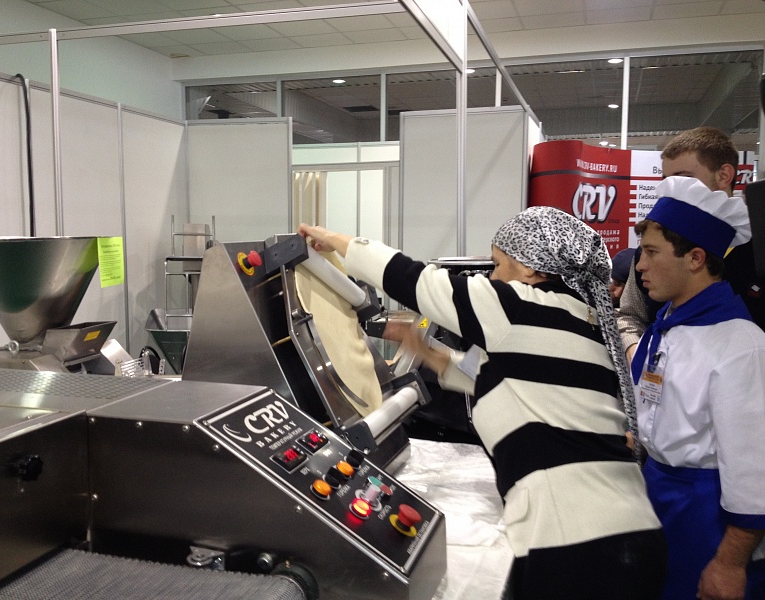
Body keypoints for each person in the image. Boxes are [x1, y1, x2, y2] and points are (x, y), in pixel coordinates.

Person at [298, 207, 667, 600]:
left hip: (579, 548)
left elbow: (415, 279)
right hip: (627, 537)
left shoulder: (520, 305)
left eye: (497, 264)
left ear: (529, 268)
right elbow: (497, 377)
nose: (491, 277)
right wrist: (421, 348)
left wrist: (334, 240)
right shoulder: (579, 320)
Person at [631, 176, 765, 600]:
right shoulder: (670, 324)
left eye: (652, 252)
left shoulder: (740, 344)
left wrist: (729, 563)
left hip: (706, 518)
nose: (639, 266)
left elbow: (753, 472)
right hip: (658, 495)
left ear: (695, 258)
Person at [617, 126, 765, 363]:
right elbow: (630, 315)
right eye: (666, 181)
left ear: (724, 175)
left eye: (684, 179)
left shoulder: (756, 253)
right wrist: (637, 353)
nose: (673, 190)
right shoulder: (647, 255)